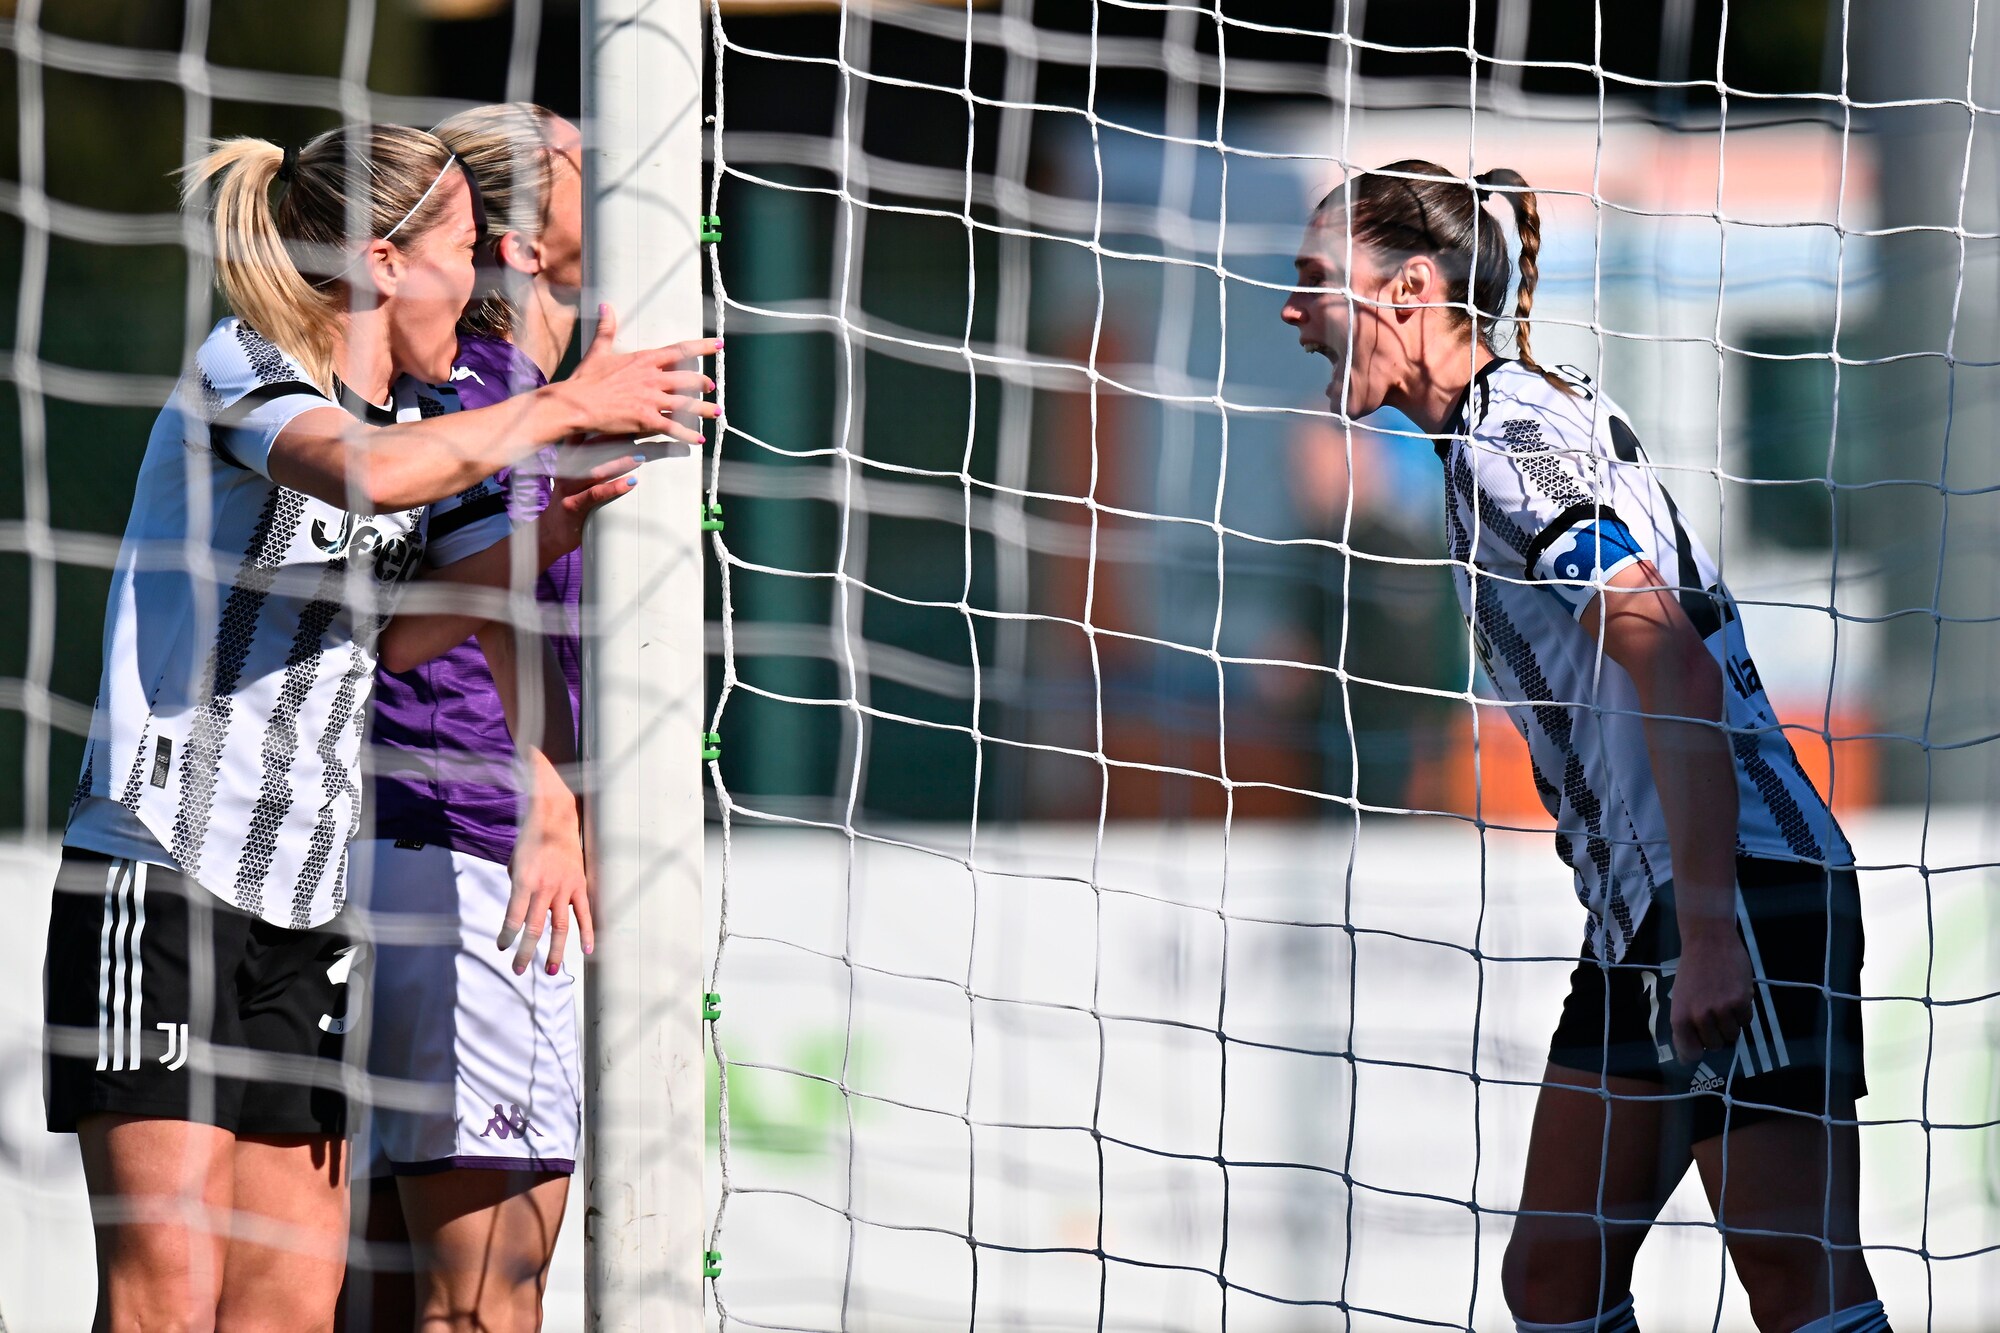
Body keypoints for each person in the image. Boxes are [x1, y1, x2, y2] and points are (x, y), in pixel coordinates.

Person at [45, 121, 714, 1329]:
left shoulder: (423, 415)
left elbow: (413, 630)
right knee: (167, 1300)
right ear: (383, 262)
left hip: (308, 899)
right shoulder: (246, 366)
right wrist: (561, 402)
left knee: (290, 1306)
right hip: (167, 868)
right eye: (464, 247)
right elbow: (363, 473)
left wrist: (557, 529)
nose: (481, 274)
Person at [1280, 160, 1890, 1333]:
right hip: (1651, 913)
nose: (1292, 308)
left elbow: (1669, 660)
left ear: (1408, 290)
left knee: (1796, 1282)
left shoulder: (1507, 442)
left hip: (1733, 892)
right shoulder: (1492, 432)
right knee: (1554, 1279)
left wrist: (1706, 934)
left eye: (1314, 278)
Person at [347, 102, 600, 1330]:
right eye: (582, 160)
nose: (613, 172)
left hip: (459, 849)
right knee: (481, 1298)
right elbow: (443, 623)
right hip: (472, 852)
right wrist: (544, 792)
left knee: (437, 1289)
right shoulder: (489, 398)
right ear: (520, 239)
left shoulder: (516, 390)